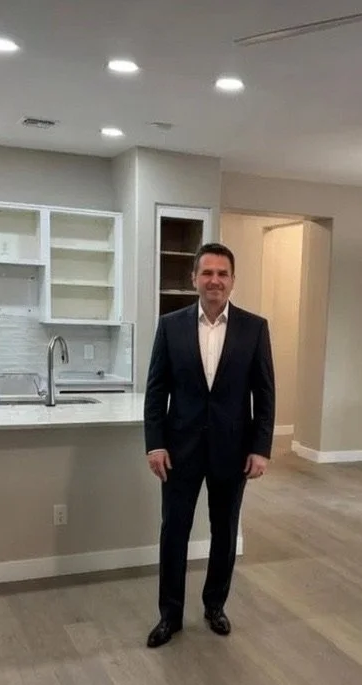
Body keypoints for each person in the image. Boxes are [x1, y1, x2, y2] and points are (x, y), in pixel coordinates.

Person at [143, 242, 276, 648]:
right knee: (174, 533)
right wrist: (155, 444)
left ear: (232, 280)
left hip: (233, 451)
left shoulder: (255, 328)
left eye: (222, 273)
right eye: (207, 273)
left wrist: (261, 448)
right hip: (179, 451)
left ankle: (215, 606)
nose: (214, 280)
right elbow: (156, 390)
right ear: (194, 279)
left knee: (224, 532)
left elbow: (265, 393)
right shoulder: (170, 325)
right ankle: (170, 615)